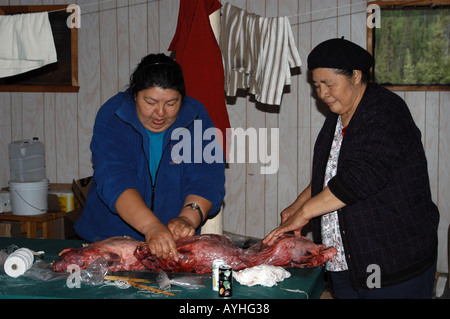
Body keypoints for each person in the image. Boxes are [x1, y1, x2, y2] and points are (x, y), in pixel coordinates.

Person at [263, 38, 439, 299]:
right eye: (317, 85)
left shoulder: (385, 112)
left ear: (356, 76)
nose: (323, 94)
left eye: (329, 84)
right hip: (346, 261)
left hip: (392, 262)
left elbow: (357, 179)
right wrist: (297, 207)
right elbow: (331, 173)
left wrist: (305, 213)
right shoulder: (338, 114)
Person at [75, 53, 225, 262]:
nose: (160, 113)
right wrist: (152, 227)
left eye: (172, 103)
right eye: (150, 102)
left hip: (173, 248)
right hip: (110, 244)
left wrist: (187, 219)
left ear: (182, 98)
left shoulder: (196, 116)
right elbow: (115, 179)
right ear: (135, 93)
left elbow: (207, 178)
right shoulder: (114, 115)